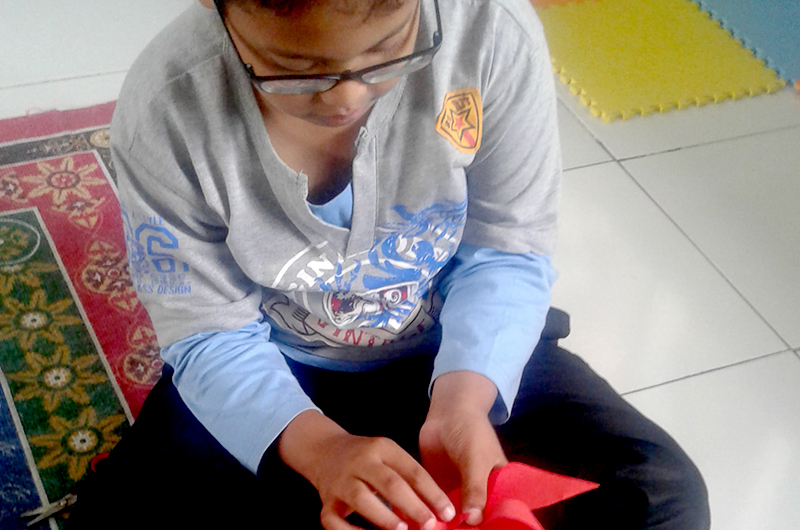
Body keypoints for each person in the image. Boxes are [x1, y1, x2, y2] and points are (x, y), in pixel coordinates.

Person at [67, 0, 710, 528]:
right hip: (280, 362)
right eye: (294, 68)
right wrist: (319, 448)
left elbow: (507, 248)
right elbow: (209, 331)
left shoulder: (491, 32)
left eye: (388, 50)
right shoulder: (168, 109)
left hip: (453, 341)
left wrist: (465, 401)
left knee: (659, 495)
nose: (346, 96)